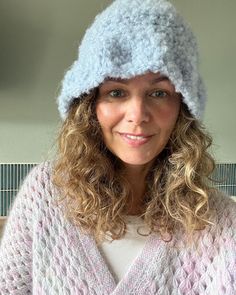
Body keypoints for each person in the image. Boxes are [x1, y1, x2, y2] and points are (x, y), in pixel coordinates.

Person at [0, 0, 235, 294]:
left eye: (159, 92)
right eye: (116, 92)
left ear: (183, 107)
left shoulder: (223, 226)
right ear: (90, 105)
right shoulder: (44, 195)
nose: (137, 114)